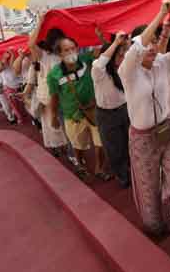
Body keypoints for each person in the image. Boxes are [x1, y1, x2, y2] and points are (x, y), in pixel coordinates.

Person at [120, 1, 170, 235]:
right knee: (149, 188)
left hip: (166, 129)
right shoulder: (128, 72)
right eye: (149, 42)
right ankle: (155, 226)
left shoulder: (162, 63)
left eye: (155, 42)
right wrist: (161, 14)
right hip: (143, 139)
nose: (153, 46)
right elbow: (137, 47)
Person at [48, 36, 104, 180]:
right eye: (66, 50)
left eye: (73, 48)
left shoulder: (86, 59)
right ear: (60, 54)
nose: (71, 52)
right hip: (72, 115)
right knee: (78, 144)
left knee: (100, 142)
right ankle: (80, 165)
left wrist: (100, 35)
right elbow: (54, 98)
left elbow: (103, 51)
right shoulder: (53, 75)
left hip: (93, 110)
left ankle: (100, 168)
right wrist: (53, 116)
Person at [92, 31, 132, 188]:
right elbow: (99, 63)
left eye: (122, 56)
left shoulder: (121, 70)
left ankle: (131, 170)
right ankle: (122, 176)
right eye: (118, 56)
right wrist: (115, 43)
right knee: (114, 148)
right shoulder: (99, 73)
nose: (122, 59)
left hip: (125, 110)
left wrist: (123, 44)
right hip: (107, 115)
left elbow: (131, 54)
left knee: (129, 144)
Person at [27, 23, 69, 157]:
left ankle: (68, 151)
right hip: (49, 96)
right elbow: (31, 44)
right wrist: (41, 21)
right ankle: (62, 150)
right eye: (60, 40)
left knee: (62, 125)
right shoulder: (45, 56)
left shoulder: (63, 55)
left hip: (64, 95)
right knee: (52, 125)